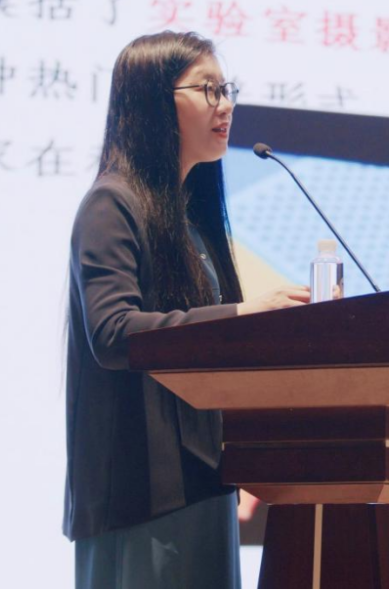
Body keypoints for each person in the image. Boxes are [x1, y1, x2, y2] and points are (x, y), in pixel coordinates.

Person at [63, 31, 310, 589]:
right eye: (207, 90)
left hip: (203, 480)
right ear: (155, 101)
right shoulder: (111, 204)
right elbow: (113, 333)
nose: (225, 105)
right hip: (141, 495)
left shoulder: (191, 220)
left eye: (227, 89)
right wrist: (243, 316)